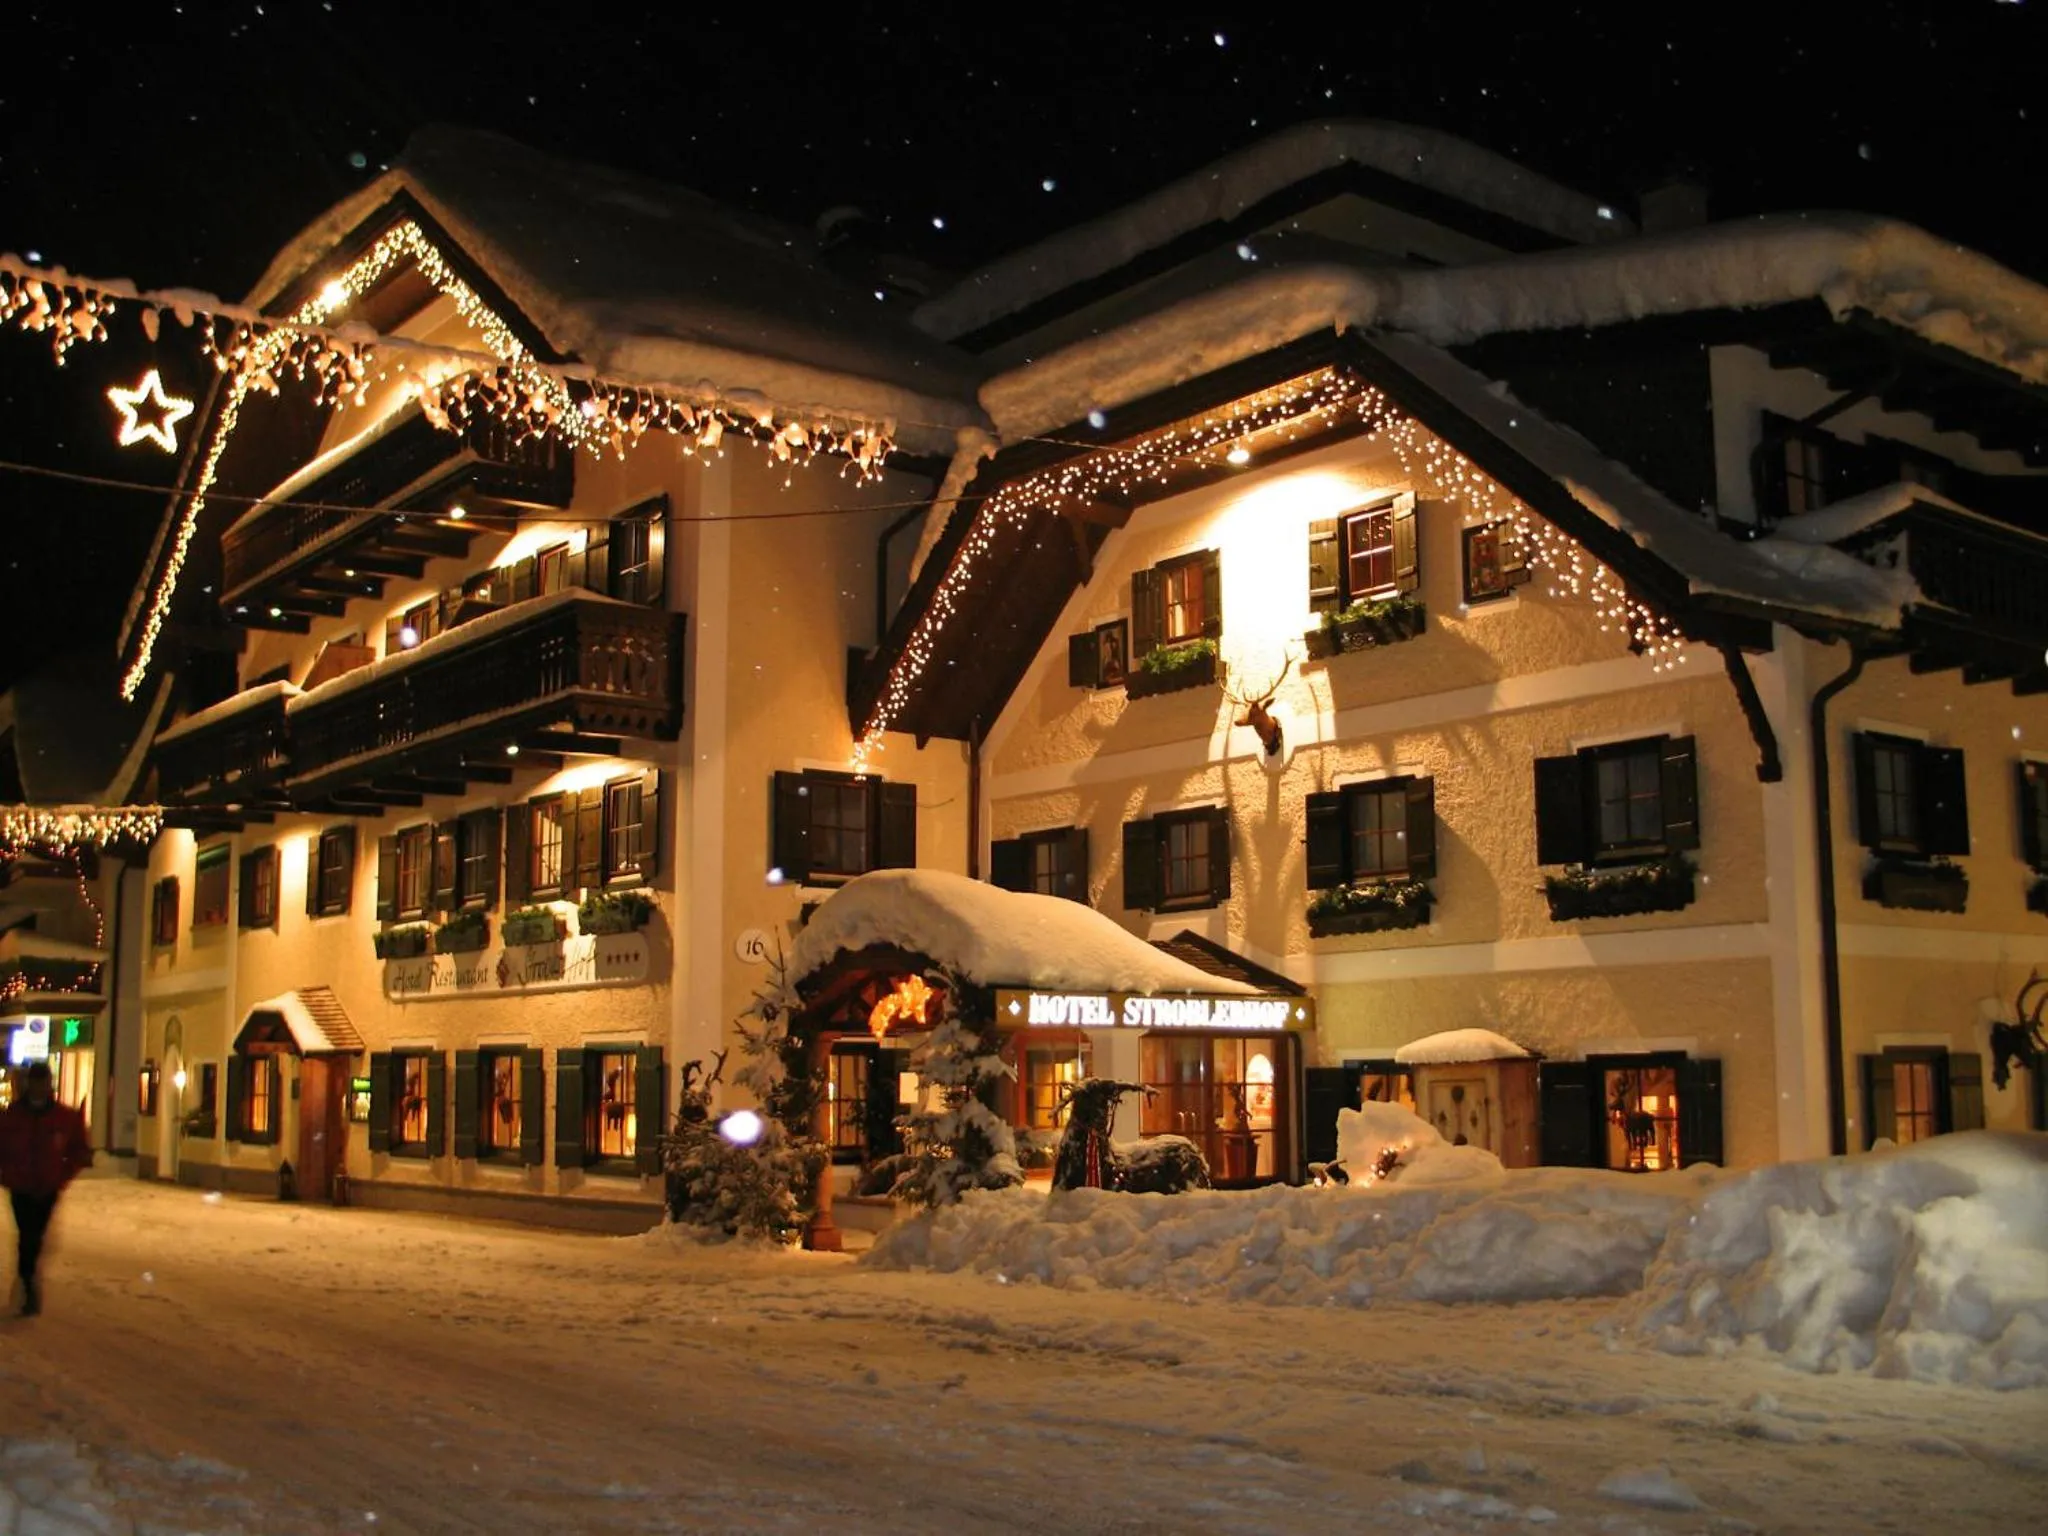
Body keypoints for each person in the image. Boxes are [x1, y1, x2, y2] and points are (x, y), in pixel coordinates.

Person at [0, 1061, 93, 1317]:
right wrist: (7, 1173)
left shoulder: (64, 1117)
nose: (39, 1088)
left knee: (35, 1235)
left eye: (43, 1083)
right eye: (35, 1082)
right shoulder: (12, 1117)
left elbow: (79, 1151)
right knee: (27, 1234)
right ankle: (28, 1281)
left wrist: (62, 1175)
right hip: (21, 1187)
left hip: (47, 1188)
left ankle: (27, 1276)